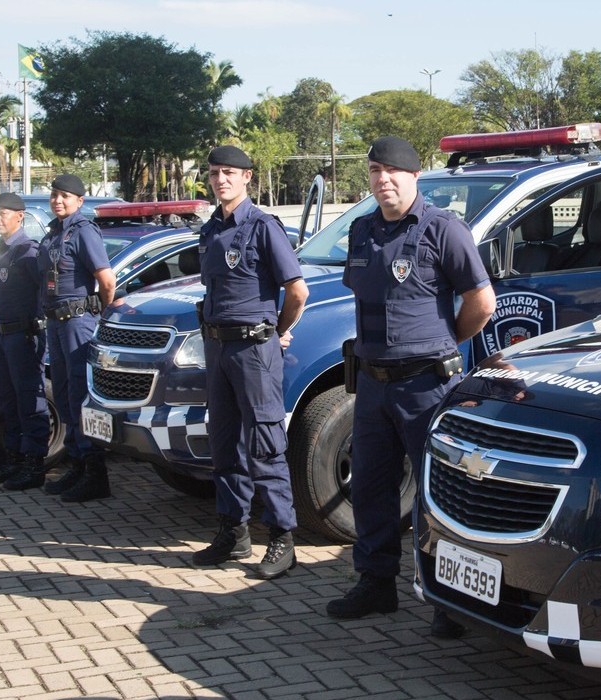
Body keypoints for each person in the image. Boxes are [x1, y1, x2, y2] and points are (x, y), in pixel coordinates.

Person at [324, 136, 495, 639]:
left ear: (415, 176)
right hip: (373, 387)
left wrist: (445, 343)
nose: (383, 180)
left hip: (427, 386)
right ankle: (376, 584)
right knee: (372, 490)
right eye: (375, 171)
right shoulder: (362, 231)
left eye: (392, 171)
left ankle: (447, 599)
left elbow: (481, 302)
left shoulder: (444, 229)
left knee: (437, 493)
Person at [189, 145, 308, 579]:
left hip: (255, 351)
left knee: (265, 444)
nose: (221, 179)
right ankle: (233, 532)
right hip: (218, 348)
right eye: (215, 172)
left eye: (230, 173)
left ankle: (281, 538)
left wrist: (277, 330)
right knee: (224, 444)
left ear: (247, 178)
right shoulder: (211, 230)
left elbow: (297, 290)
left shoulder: (263, 227)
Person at [36, 174, 115, 503]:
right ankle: (78, 464)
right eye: (55, 195)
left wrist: (101, 314)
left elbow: (107, 280)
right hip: (56, 323)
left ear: (80, 200)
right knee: (67, 394)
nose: (58, 200)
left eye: (65, 196)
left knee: (82, 395)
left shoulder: (83, 232)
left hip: (78, 322)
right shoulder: (54, 233)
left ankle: (96, 473)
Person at [0, 192, 51, 491]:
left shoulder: (29, 252)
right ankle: (13, 458)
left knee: (29, 400)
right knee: (8, 402)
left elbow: (45, 293)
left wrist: (37, 328)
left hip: (23, 335)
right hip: (2, 334)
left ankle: (34, 464)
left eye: (4, 214)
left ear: (19, 216)